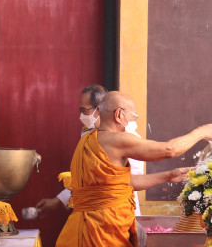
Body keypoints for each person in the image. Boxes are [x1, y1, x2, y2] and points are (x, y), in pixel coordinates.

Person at [56, 91, 212, 247]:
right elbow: (169, 150)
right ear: (119, 115)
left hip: (81, 226)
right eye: (133, 116)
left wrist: (168, 175)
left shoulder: (86, 141)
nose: (133, 122)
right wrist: (200, 132)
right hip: (103, 228)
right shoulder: (116, 140)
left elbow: (124, 183)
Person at [36, 85, 145, 216]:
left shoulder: (127, 136)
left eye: (84, 110)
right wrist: (59, 200)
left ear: (100, 109)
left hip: (119, 211)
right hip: (92, 211)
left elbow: (132, 180)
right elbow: (85, 176)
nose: (81, 116)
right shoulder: (88, 134)